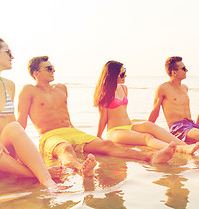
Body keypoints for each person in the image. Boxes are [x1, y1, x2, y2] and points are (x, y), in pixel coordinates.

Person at [17, 56, 175, 177]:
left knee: (108, 145)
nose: (54, 71)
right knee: (65, 149)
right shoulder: (29, 90)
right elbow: (21, 122)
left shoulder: (61, 88)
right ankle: (81, 168)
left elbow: (66, 115)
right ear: (36, 73)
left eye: (53, 68)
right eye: (49, 68)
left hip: (72, 131)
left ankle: (150, 156)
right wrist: (17, 151)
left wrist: (81, 134)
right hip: (50, 135)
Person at [0, 37, 61, 190]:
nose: (12, 57)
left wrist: (29, 157)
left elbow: (12, 124)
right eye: (8, 52)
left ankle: (47, 181)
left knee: (14, 126)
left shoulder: (9, 85)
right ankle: (39, 174)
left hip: (4, 155)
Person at [93, 60, 199, 154]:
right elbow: (103, 118)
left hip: (129, 126)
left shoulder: (124, 89)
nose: (125, 75)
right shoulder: (106, 93)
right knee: (147, 137)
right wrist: (98, 136)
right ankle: (180, 149)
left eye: (124, 72)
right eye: (122, 74)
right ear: (112, 75)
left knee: (149, 125)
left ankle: (184, 145)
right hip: (115, 131)